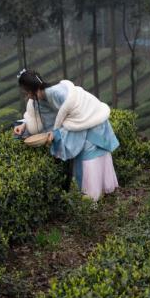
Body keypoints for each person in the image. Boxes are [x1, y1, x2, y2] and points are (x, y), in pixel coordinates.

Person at [13, 69, 119, 201]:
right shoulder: (41, 98)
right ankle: (91, 199)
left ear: (35, 88)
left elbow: (77, 113)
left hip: (90, 122)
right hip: (83, 126)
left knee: (89, 159)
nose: (27, 96)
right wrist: (24, 125)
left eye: (28, 92)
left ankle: (91, 200)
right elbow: (46, 119)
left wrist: (56, 134)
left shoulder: (56, 92)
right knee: (83, 161)